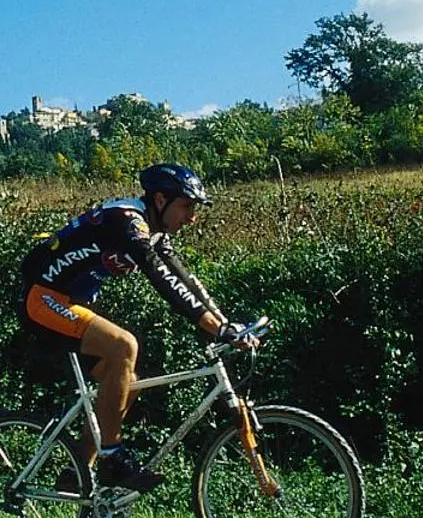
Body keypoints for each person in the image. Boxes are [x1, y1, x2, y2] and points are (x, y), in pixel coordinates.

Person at [16, 163, 255, 492]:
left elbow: (185, 281)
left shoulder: (155, 233)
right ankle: (113, 458)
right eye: (187, 206)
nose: (192, 218)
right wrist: (214, 327)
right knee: (124, 346)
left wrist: (225, 324)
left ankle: (77, 473)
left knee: (128, 383)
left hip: (69, 303)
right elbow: (162, 279)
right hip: (42, 299)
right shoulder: (128, 221)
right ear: (160, 200)